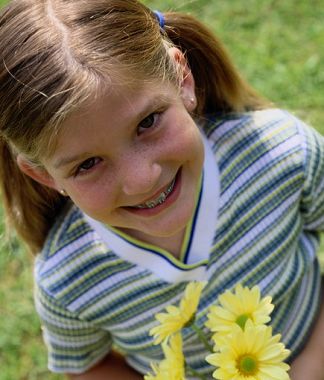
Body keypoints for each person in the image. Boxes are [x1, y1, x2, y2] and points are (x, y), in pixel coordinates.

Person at [0, 0, 323, 379]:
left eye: (148, 122)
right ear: (46, 177)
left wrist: (312, 361)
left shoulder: (282, 154)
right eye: (87, 164)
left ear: (182, 79)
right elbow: (87, 365)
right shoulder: (68, 280)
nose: (142, 179)